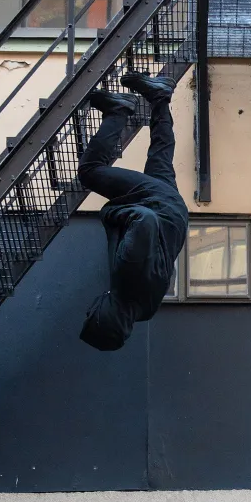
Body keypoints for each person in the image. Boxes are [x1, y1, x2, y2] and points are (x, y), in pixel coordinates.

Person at [77, 72, 189, 351]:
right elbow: (144, 220)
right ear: (104, 318)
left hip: (174, 216)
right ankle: (118, 110)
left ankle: (160, 97)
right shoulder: (126, 279)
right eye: (91, 315)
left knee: (160, 156)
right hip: (155, 206)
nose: (90, 309)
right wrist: (110, 214)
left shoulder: (144, 309)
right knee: (90, 172)